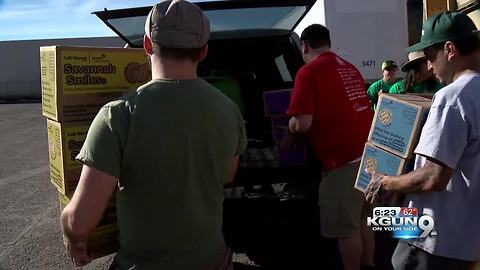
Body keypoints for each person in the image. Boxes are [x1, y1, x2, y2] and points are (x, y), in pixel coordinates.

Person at [60, 0, 247, 269]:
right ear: (203, 51)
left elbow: (80, 222)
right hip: (214, 261)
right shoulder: (229, 110)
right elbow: (227, 175)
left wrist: (73, 236)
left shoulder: (117, 115)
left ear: (147, 44)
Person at [364, 11, 480, 270]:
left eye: (429, 57)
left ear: (449, 49)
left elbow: (432, 177)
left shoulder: (452, 97)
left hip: (432, 238)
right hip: (468, 240)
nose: (429, 66)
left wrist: (387, 182)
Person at [286, 24, 375, 270]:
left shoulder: (309, 72)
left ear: (304, 46)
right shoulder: (349, 68)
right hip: (369, 157)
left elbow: (302, 123)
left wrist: (288, 129)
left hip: (343, 163)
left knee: (346, 229)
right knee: (363, 218)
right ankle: (369, 264)